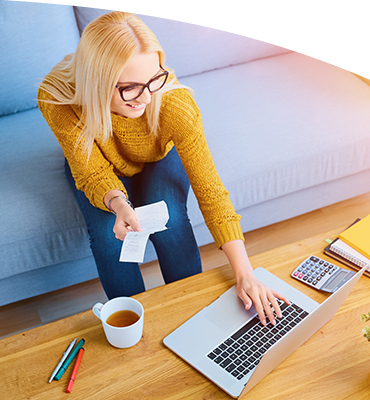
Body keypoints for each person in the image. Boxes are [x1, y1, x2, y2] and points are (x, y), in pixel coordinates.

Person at [37, 11, 289, 326]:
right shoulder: (57, 97)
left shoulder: (173, 104)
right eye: (129, 87)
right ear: (96, 80)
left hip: (158, 156)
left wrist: (245, 273)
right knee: (106, 235)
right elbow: (91, 171)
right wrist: (118, 203)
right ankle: (129, 320)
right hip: (96, 164)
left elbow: (211, 191)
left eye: (154, 79)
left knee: (169, 219)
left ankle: (193, 316)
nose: (145, 97)